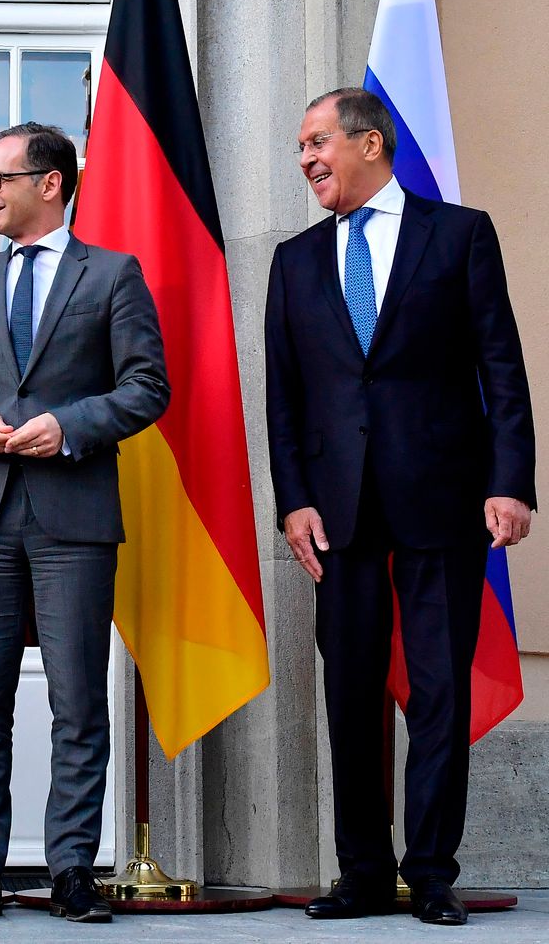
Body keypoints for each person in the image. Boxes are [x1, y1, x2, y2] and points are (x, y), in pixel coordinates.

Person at [265, 87, 535, 927]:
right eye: (300, 148)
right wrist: (293, 502)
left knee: (440, 689)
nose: (305, 159)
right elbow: (284, 399)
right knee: (350, 693)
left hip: (442, 498)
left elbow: (501, 368)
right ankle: (363, 874)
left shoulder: (458, 235)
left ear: (369, 142)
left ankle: (432, 874)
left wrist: (510, 481)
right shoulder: (294, 260)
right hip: (337, 510)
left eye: (316, 142)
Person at [0, 122, 170, 924]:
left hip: (75, 515)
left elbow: (147, 387)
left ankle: (71, 871)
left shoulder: (113, 275)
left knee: (79, 702)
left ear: (51, 183)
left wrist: (70, 426)